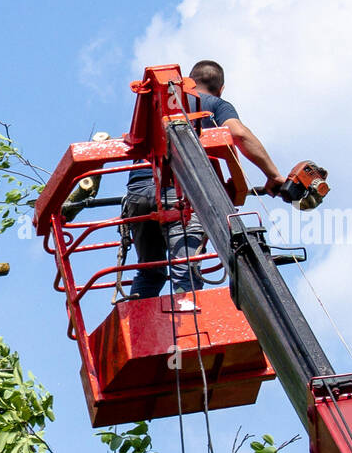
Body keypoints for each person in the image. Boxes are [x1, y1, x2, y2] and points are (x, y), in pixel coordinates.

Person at [121, 60, 286, 303]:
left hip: (137, 194)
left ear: (190, 79)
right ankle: (187, 325)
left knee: (150, 272)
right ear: (221, 88)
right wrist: (274, 175)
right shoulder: (214, 104)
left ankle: (135, 324)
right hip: (178, 193)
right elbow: (238, 133)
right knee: (186, 269)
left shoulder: (158, 107)